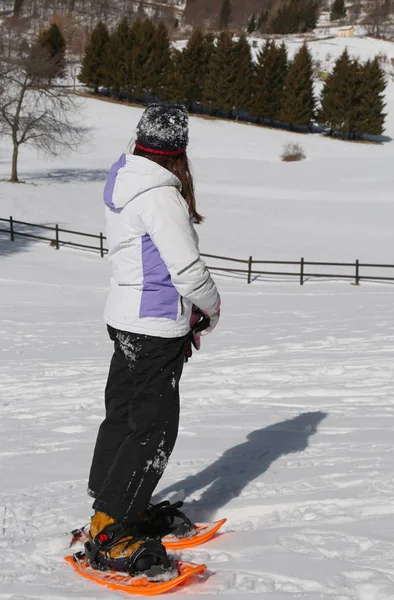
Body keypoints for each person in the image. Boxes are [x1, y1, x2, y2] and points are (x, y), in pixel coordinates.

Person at [85, 103, 221, 575]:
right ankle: (110, 529)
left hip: (125, 319)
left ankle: (114, 502)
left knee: (124, 415)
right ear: (179, 152)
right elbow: (186, 270)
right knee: (154, 429)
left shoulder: (125, 178)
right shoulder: (161, 195)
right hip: (156, 325)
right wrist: (211, 305)